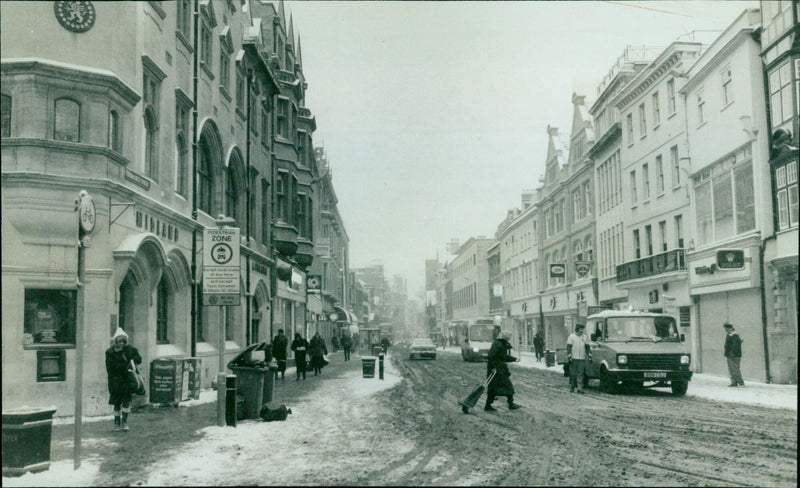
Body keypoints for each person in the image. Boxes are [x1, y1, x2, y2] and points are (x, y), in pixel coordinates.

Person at [105, 327, 142, 432]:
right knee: (116, 403)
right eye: (119, 341)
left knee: (126, 402)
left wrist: (133, 359)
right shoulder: (110, 352)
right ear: (115, 341)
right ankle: (116, 423)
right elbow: (110, 367)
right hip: (115, 381)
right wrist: (124, 365)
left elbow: (138, 359)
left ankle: (124, 421)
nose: (121, 343)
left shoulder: (130, 349)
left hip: (127, 380)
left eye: (123, 341)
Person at [485, 330, 521, 411]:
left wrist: (514, 359)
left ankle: (488, 405)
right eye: (509, 337)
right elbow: (491, 356)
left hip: (499, 369)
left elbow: (503, 357)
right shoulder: (497, 344)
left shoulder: (500, 344)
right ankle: (511, 404)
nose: (509, 339)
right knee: (508, 386)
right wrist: (494, 368)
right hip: (497, 370)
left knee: (493, 388)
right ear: (505, 337)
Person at [566, 324, 588, 394]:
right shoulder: (572, 336)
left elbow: (587, 346)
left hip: (582, 358)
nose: (582, 330)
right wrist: (569, 355)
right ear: (577, 329)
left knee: (581, 374)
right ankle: (572, 386)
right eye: (580, 329)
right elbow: (569, 346)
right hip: (574, 358)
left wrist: (589, 354)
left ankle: (579, 388)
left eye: (582, 329)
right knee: (573, 373)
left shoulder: (584, 337)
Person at [723, 323, 744, 387]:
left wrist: (731, 353)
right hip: (729, 355)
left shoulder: (735, 335)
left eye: (726, 329)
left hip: (734, 355)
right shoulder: (729, 335)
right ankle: (734, 382)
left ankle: (741, 383)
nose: (726, 330)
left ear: (730, 328)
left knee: (735, 369)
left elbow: (735, 346)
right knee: (731, 369)